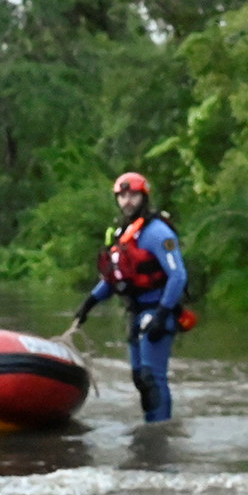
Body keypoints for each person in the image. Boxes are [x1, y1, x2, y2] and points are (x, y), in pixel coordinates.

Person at [74, 171, 188, 423]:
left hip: (158, 311)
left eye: (133, 195)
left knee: (151, 376)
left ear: (143, 197)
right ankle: (154, 430)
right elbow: (115, 278)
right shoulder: (123, 234)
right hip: (136, 313)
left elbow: (178, 276)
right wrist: (88, 305)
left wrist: (161, 314)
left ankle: (161, 434)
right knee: (139, 378)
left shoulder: (158, 233)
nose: (127, 201)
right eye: (122, 196)